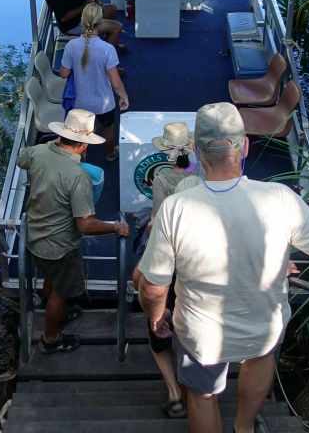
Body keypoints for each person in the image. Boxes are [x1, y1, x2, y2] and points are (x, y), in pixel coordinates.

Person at [136, 102, 309, 433]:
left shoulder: (176, 207)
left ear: (197, 150)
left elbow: (153, 287)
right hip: (263, 327)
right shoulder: (279, 198)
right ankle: (244, 427)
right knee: (260, 359)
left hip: (200, 335)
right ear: (245, 146)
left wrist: (155, 316)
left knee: (203, 394)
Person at [17, 108, 130, 354]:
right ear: (83, 145)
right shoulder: (78, 177)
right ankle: (50, 338)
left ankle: (57, 312)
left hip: (35, 235)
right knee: (61, 290)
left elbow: (21, 159)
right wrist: (115, 227)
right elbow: (85, 224)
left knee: (51, 278)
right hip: (60, 246)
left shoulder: (39, 152)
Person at [137, 121, 195, 419]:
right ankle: (192, 389)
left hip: (169, 262)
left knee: (159, 334)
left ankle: (174, 394)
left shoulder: (162, 179)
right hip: (196, 266)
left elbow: (157, 220)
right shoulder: (203, 176)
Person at [59, 4, 129, 162]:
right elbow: (116, 81)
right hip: (104, 104)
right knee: (108, 129)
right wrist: (124, 97)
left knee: (81, 135)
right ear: (101, 22)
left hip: (80, 103)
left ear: (82, 22)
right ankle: (111, 153)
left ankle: (82, 160)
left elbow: (64, 73)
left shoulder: (71, 46)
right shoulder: (107, 49)